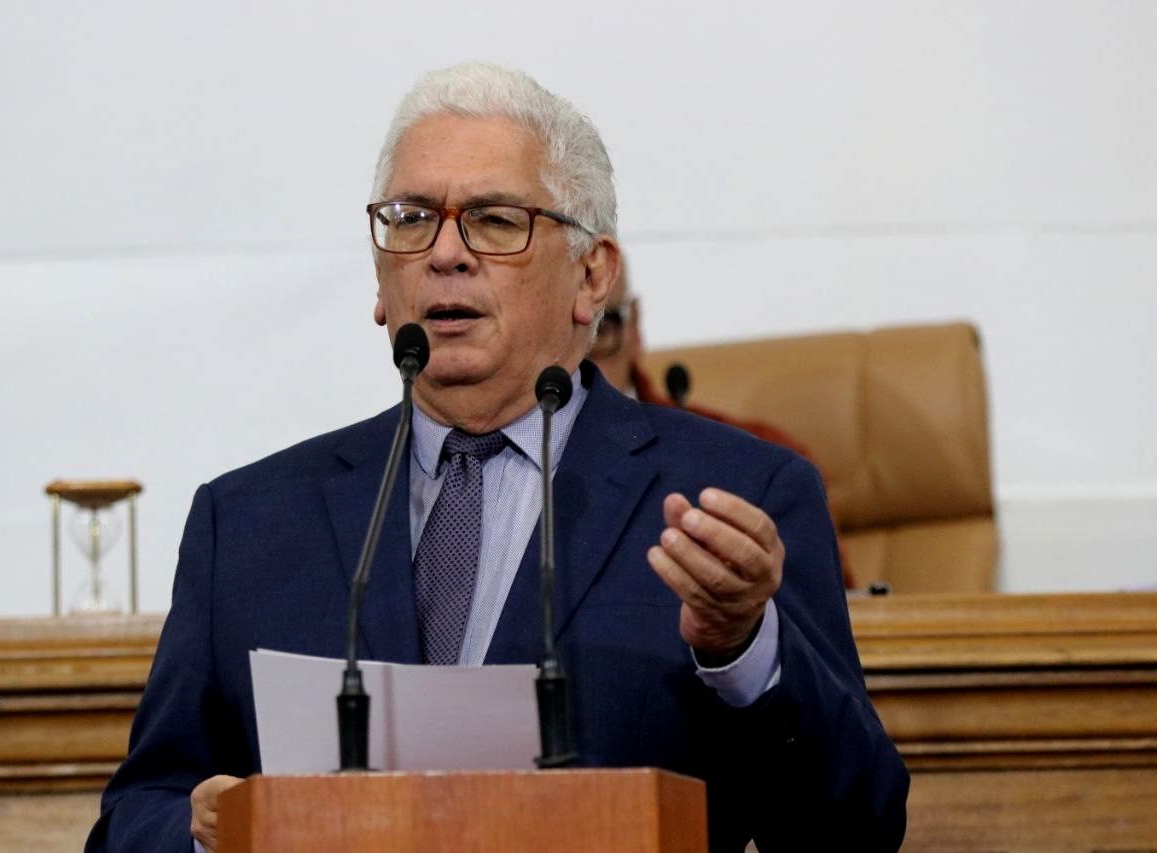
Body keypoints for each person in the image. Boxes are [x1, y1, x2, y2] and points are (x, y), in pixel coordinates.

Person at [87, 63, 907, 852]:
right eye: (412, 218)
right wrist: (209, 834)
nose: (445, 253)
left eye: (495, 220)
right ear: (380, 280)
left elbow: (853, 831)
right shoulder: (249, 522)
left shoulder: (737, 495)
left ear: (592, 276)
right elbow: (134, 815)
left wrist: (741, 646)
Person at [589, 267, 857, 588]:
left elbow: (828, 611)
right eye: (555, 335)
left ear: (634, 326)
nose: (575, 364)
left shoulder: (761, 466)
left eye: (598, 329)